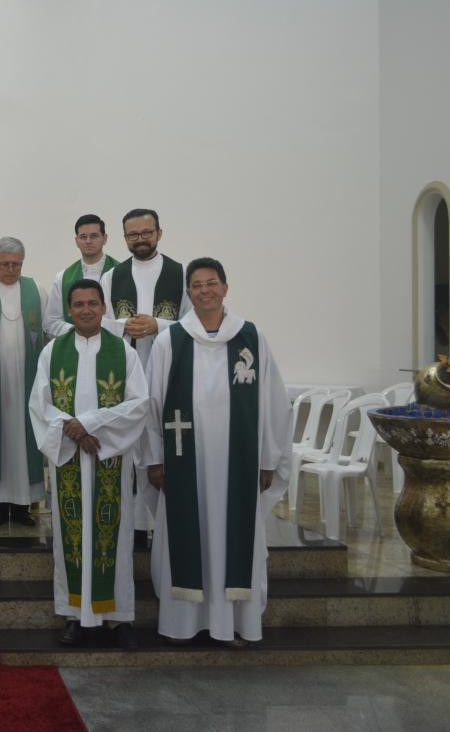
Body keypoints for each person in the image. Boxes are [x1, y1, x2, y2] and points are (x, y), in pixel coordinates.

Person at [142, 258, 292, 647]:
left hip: (237, 464)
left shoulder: (251, 338)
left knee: (235, 536)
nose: (205, 290)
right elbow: (153, 404)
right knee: (184, 536)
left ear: (226, 287)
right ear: (188, 294)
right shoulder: (170, 339)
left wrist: (267, 459)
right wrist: (155, 458)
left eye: (212, 283)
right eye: (197, 285)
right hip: (183, 459)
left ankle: (233, 623)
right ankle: (182, 623)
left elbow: (273, 402)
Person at [29, 280, 149, 648]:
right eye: (78, 304)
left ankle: (118, 618)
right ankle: (74, 616)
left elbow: (139, 402)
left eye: (92, 303)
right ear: (68, 309)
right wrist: (73, 431)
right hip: (70, 455)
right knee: (71, 536)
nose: (85, 310)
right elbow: (39, 404)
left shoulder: (123, 351)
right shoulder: (53, 352)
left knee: (114, 532)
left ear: (104, 307)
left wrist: (92, 425)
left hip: (108, 456)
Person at [99, 208, 190, 538]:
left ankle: (161, 523)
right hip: (128, 377)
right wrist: (127, 326)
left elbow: (193, 323)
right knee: (132, 448)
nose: (140, 239)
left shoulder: (180, 274)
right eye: (132, 235)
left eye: (145, 233)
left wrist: (158, 324)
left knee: (163, 446)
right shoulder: (111, 277)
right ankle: (134, 524)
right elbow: (103, 323)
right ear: (124, 238)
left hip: (170, 375)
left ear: (159, 233)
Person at [0, 237, 46, 528]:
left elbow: (48, 331)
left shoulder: (35, 290)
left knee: (24, 440)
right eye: (4, 263)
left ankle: (22, 507)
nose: (10, 269)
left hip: (28, 380)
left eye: (16, 264)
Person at [43, 215, 119, 337]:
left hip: (113, 346)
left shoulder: (121, 272)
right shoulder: (63, 278)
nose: (88, 241)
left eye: (94, 236)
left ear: (105, 238)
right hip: (74, 347)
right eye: (83, 237)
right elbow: (51, 321)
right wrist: (79, 331)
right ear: (76, 241)